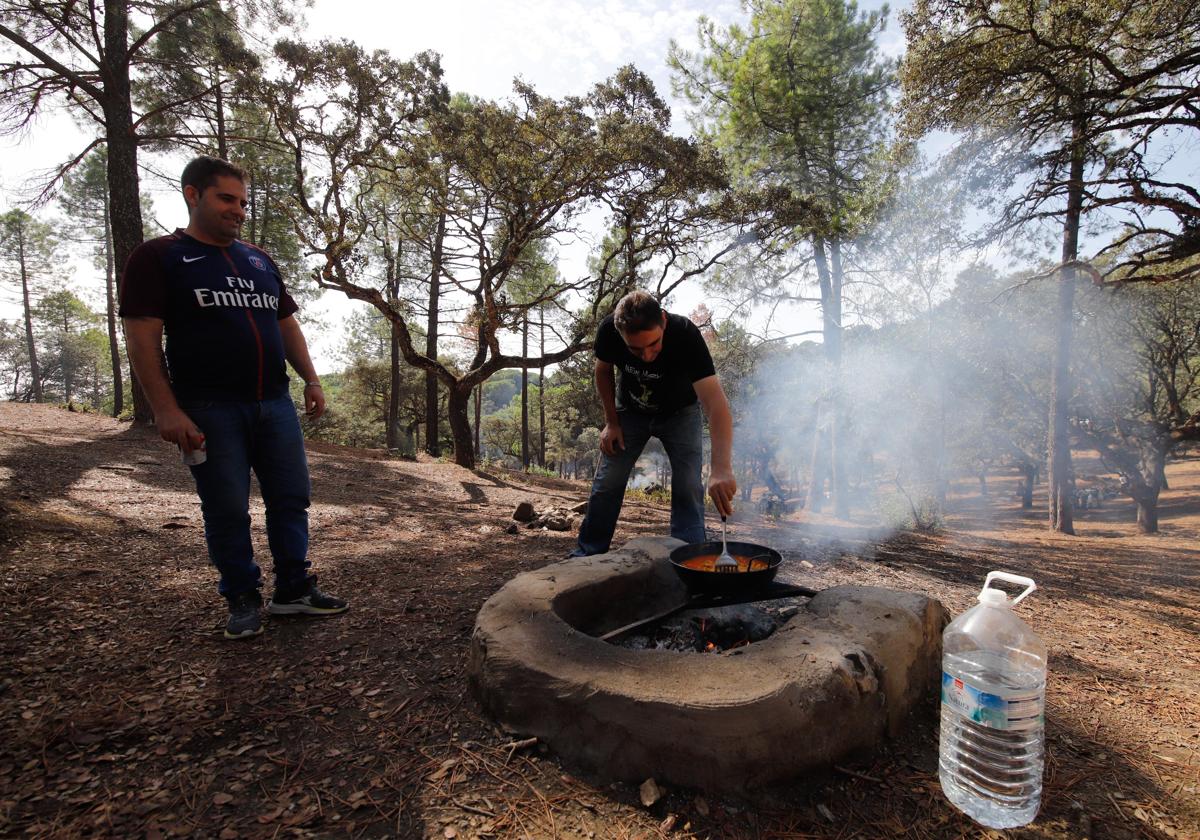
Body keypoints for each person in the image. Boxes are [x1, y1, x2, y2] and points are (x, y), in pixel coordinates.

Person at [120, 155, 347, 640]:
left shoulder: (259, 259)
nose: (238, 210)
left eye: (243, 202)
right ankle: (242, 596)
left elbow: (286, 323)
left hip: (274, 403)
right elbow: (142, 339)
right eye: (227, 198)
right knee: (226, 508)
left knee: (291, 498)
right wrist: (165, 408)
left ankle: (294, 591)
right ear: (192, 194)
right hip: (208, 407)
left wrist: (311, 378)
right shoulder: (158, 257)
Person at [572, 291, 737, 556]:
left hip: (680, 413)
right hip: (630, 412)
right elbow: (602, 371)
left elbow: (716, 405)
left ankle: (689, 558)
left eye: (654, 344)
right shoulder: (609, 329)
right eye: (635, 349)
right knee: (607, 482)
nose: (647, 355)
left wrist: (721, 468)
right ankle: (587, 554)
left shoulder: (686, 334)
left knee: (688, 486)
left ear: (663, 320)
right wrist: (611, 423)